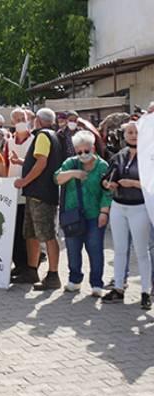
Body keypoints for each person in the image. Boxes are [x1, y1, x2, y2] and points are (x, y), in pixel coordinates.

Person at [53, 131, 111, 297]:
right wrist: (73, 173)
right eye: (79, 152)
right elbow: (57, 178)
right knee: (72, 249)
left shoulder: (103, 166)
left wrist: (104, 212)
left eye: (86, 151)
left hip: (95, 215)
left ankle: (96, 284)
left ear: (93, 148)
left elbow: (107, 192)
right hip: (73, 215)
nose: (83, 155)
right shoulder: (71, 163)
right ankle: (74, 281)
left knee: (95, 250)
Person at [13, 108, 65, 290]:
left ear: (39, 121)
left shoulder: (43, 136)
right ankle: (31, 270)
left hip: (40, 194)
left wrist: (24, 181)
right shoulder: (54, 136)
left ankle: (53, 275)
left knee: (47, 235)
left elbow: (42, 162)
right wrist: (22, 162)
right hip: (38, 193)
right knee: (32, 234)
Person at [102, 122, 151, 309]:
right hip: (118, 207)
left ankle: (146, 291)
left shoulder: (149, 156)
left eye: (137, 132)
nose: (133, 136)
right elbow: (106, 178)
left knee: (141, 251)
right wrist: (108, 184)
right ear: (124, 135)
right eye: (130, 132)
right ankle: (118, 288)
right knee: (120, 249)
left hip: (139, 207)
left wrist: (133, 183)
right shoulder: (118, 156)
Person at [6, 108, 34, 275]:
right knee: (14, 231)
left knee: (27, 231)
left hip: (29, 191)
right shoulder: (9, 142)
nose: (20, 121)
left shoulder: (35, 140)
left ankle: (30, 264)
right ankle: (19, 264)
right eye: (16, 119)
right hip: (11, 193)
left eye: (22, 118)